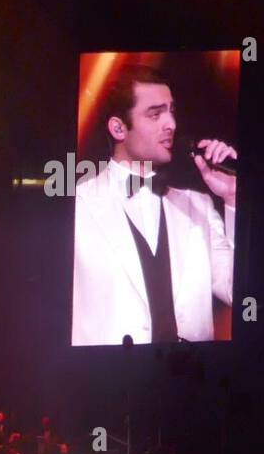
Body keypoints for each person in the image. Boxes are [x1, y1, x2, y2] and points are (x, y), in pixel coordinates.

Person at [72, 64, 236, 345]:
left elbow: (236, 291)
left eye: (171, 111)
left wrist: (232, 198)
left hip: (192, 378)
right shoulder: (78, 205)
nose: (171, 124)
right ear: (118, 127)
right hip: (106, 382)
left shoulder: (198, 205)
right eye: (155, 114)